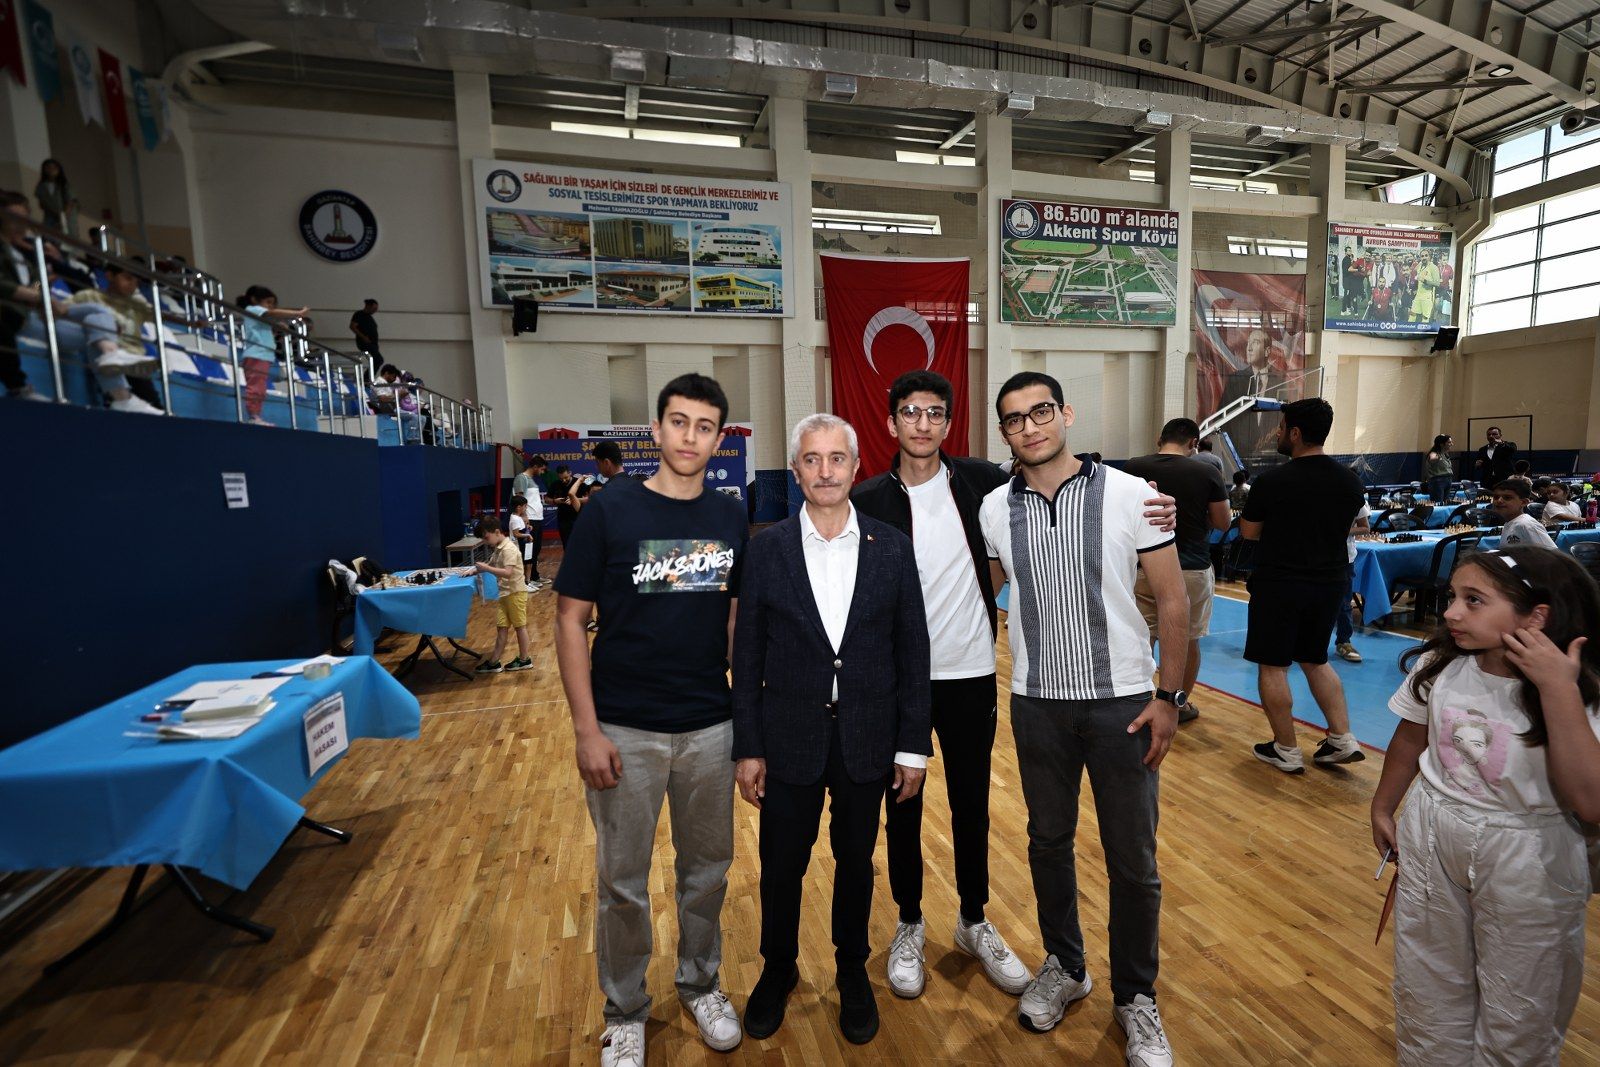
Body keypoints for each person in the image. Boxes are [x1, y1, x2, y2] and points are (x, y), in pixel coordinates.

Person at [982, 371, 1186, 1066]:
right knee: (1047, 842)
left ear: (1065, 413)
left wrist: (1169, 696)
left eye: (1040, 411)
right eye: (1014, 419)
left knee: (1134, 860)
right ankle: (1066, 966)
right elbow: (980, 592)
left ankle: (1136, 996)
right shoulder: (992, 508)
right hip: (1037, 702)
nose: (1030, 426)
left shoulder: (1133, 495)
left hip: (1122, 704)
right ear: (1004, 433)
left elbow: (1173, 601)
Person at [553, 374, 748, 1067]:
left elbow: (733, 620)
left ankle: (700, 984)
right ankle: (625, 1009)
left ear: (718, 439)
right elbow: (570, 619)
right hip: (624, 729)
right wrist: (587, 729)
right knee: (622, 881)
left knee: (707, 872)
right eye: (679, 421)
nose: (691, 436)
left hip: (709, 727)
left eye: (705, 425)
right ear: (657, 430)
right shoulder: (610, 509)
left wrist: (750, 723)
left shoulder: (730, 515)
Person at [734, 413, 931, 1048]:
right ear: (795, 471)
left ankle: (851, 970)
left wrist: (912, 746)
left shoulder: (890, 546)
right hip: (787, 738)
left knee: (855, 862)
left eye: (836, 458)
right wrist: (748, 747)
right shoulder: (767, 549)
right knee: (780, 865)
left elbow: (913, 651)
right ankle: (778, 968)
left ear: (855, 465)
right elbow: (748, 656)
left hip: (867, 739)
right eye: (812, 460)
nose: (825, 471)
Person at [1370, 546, 1600, 1065]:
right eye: (1453, 596)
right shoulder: (1442, 663)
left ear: (1536, 616)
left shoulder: (1580, 687)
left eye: (1473, 600)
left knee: (1523, 995)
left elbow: (1590, 801)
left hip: (1530, 850)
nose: (1451, 612)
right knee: (1427, 979)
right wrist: (1384, 806)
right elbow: (1411, 737)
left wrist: (1557, 689)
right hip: (1434, 830)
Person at [850, 370, 1028, 1002]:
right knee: (902, 805)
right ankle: (909, 922)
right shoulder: (867, 499)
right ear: (891, 422)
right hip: (898, 683)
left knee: (971, 803)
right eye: (910, 412)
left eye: (934, 413)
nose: (922, 424)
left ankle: (974, 919)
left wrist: (1147, 497)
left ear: (948, 423)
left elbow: (1049, 490)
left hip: (970, 672)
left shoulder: (983, 482)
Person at [1240, 397, 1367, 773]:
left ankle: (1286, 748)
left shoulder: (1272, 481)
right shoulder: (1350, 481)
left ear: (1294, 433)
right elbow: (1349, 526)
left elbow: (1249, 532)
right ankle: (1342, 738)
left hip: (1279, 582)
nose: (1278, 434)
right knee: (1315, 658)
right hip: (1330, 582)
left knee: (1273, 665)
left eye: (1281, 428)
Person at [2, 192, 159, 412]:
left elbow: (33, 285)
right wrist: (41, 297)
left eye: (24, 217)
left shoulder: (22, 253)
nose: (21, 224)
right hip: (14, 315)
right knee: (97, 326)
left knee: (97, 316)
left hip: (34, 311)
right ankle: (120, 393)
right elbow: (5, 286)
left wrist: (42, 285)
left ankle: (112, 358)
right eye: (14, 217)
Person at [1122, 417, 1231, 725]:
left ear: (1160, 439)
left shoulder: (1132, 467)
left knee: (1141, 637)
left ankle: (1134, 701)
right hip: (1191, 567)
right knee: (1188, 638)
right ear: (1194, 443)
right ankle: (1178, 704)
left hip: (1142, 566)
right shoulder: (1207, 472)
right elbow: (1223, 522)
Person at [238, 286, 308, 427]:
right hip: (256, 355)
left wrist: (277, 328)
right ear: (254, 300)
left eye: (272, 303)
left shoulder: (259, 316)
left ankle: (255, 415)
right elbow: (272, 313)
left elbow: (265, 331)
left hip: (263, 355)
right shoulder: (252, 309)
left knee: (260, 389)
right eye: (268, 302)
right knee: (256, 388)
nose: (270, 306)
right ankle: (253, 415)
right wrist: (297, 313)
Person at [473, 517, 533, 674]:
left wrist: (486, 568)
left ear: (497, 532)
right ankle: (494, 662)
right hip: (505, 594)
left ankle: (525, 659)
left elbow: (507, 573)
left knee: (520, 627)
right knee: (501, 628)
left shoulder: (509, 549)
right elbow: (490, 564)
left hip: (515, 593)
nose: (485, 542)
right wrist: (471, 571)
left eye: (486, 537)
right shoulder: (499, 548)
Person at [1333, 503, 1371, 663]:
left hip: (1344, 559)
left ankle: (1344, 642)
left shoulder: (1355, 498)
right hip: (1314, 557)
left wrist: (1340, 531)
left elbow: (1365, 527)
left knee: (1344, 604)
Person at [1492, 480, 1556, 548]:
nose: (1499, 501)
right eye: (1496, 497)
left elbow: (1551, 552)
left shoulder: (1527, 524)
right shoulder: (1509, 523)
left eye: (1507, 498)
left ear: (1524, 502)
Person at [33, 159, 75, 234]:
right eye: (48, 167)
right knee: (47, 234)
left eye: (54, 168)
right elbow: (41, 203)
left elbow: (70, 202)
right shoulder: (41, 186)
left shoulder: (63, 185)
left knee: (63, 234)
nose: (51, 170)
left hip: (63, 216)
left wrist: (64, 217)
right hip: (49, 216)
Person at [507, 497, 539, 592]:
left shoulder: (519, 517)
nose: (526, 508)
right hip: (519, 546)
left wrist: (528, 528)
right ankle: (523, 584)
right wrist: (527, 534)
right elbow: (516, 534)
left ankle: (527, 582)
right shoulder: (514, 519)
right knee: (522, 565)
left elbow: (522, 529)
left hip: (525, 544)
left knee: (529, 563)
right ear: (518, 507)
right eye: (525, 506)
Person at [349, 298, 380, 372]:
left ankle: (368, 376)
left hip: (372, 343)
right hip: (366, 343)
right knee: (378, 360)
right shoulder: (359, 314)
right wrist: (363, 337)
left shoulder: (369, 317)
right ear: (368, 306)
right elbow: (352, 326)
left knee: (376, 360)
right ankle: (367, 377)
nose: (375, 311)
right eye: (374, 308)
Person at [1423, 434, 1454, 505]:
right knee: (1438, 503)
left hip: (1448, 480)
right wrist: (1437, 458)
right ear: (1441, 444)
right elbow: (1432, 458)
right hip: (1438, 481)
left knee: (1446, 503)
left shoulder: (1445, 454)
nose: (1452, 444)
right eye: (1449, 442)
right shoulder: (1434, 453)